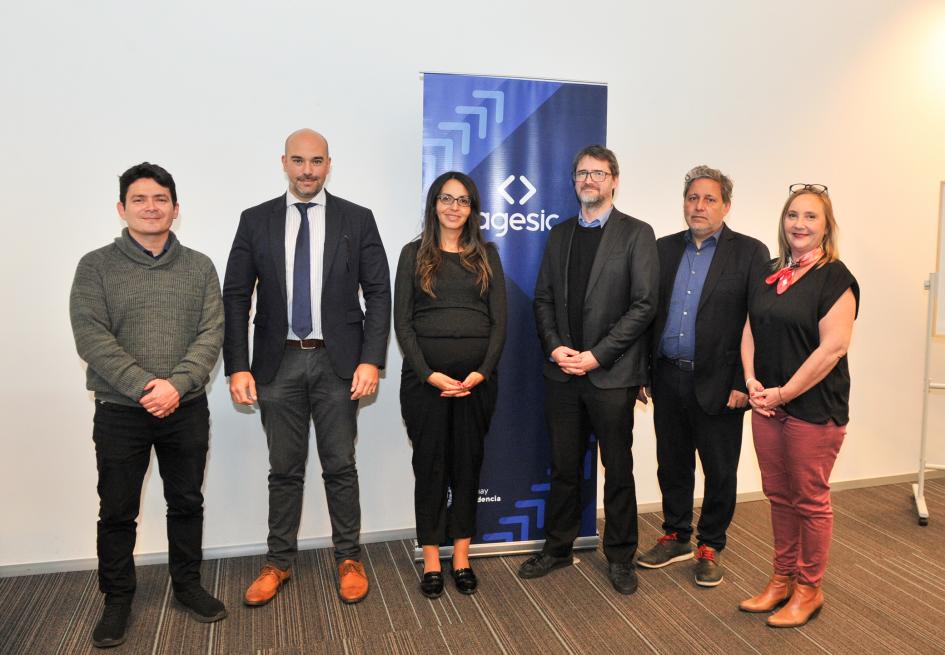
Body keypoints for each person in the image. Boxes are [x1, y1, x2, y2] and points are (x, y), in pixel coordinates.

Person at [222, 129, 391, 606]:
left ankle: (349, 558)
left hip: (339, 364)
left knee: (341, 466)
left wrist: (371, 359)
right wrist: (238, 365)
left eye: (316, 161)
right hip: (277, 365)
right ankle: (278, 563)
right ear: (284, 162)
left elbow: (379, 293)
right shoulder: (255, 220)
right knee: (284, 470)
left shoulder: (357, 220)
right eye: (298, 160)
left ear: (329, 164)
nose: (307, 170)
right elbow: (236, 297)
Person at [70, 162, 226, 648]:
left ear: (176, 210)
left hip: (187, 407)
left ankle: (187, 586)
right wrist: (145, 387)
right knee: (117, 510)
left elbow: (211, 333)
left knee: (186, 502)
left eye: (160, 199)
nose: (151, 207)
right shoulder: (95, 266)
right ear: (122, 208)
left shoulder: (200, 266)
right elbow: (91, 337)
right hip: (120, 411)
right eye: (139, 199)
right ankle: (117, 600)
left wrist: (176, 386)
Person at [520, 144, 658, 595]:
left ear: (614, 180)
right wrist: (557, 347)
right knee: (562, 466)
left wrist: (597, 354)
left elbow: (644, 306)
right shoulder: (560, 235)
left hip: (611, 374)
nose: (589, 181)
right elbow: (542, 299)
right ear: (574, 180)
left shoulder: (637, 234)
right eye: (582, 173)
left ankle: (620, 556)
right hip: (562, 372)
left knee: (617, 469)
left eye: (598, 174)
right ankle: (558, 548)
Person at [637, 166, 769, 586]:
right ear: (684, 203)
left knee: (720, 469)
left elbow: (759, 322)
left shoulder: (749, 252)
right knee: (672, 463)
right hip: (668, 376)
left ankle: (711, 543)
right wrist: (643, 370)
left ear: (726, 205)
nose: (700, 206)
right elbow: (647, 314)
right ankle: (676, 535)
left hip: (721, 383)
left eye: (710, 199)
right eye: (693, 198)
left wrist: (741, 382)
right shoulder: (663, 249)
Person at [739, 184, 858, 627]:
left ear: (826, 226)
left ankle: (810, 589)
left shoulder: (836, 277)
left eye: (810, 217)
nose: (800, 224)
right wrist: (752, 382)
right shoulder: (773, 271)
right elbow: (750, 328)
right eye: (793, 215)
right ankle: (782, 579)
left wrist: (784, 392)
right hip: (768, 404)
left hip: (812, 408)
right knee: (778, 496)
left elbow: (833, 349)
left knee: (809, 500)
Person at [394, 171, 507, 598]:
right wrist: (428, 373)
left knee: (466, 466)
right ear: (434, 204)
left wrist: (482, 371)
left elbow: (500, 323)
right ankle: (431, 559)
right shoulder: (412, 254)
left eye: (462, 200)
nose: (453, 207)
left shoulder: (487, 256)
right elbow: (402, 324)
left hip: (477, 383)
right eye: (446, 198)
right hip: (426, 383)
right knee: (430, 468)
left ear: (472, 208)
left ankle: (461, 555)